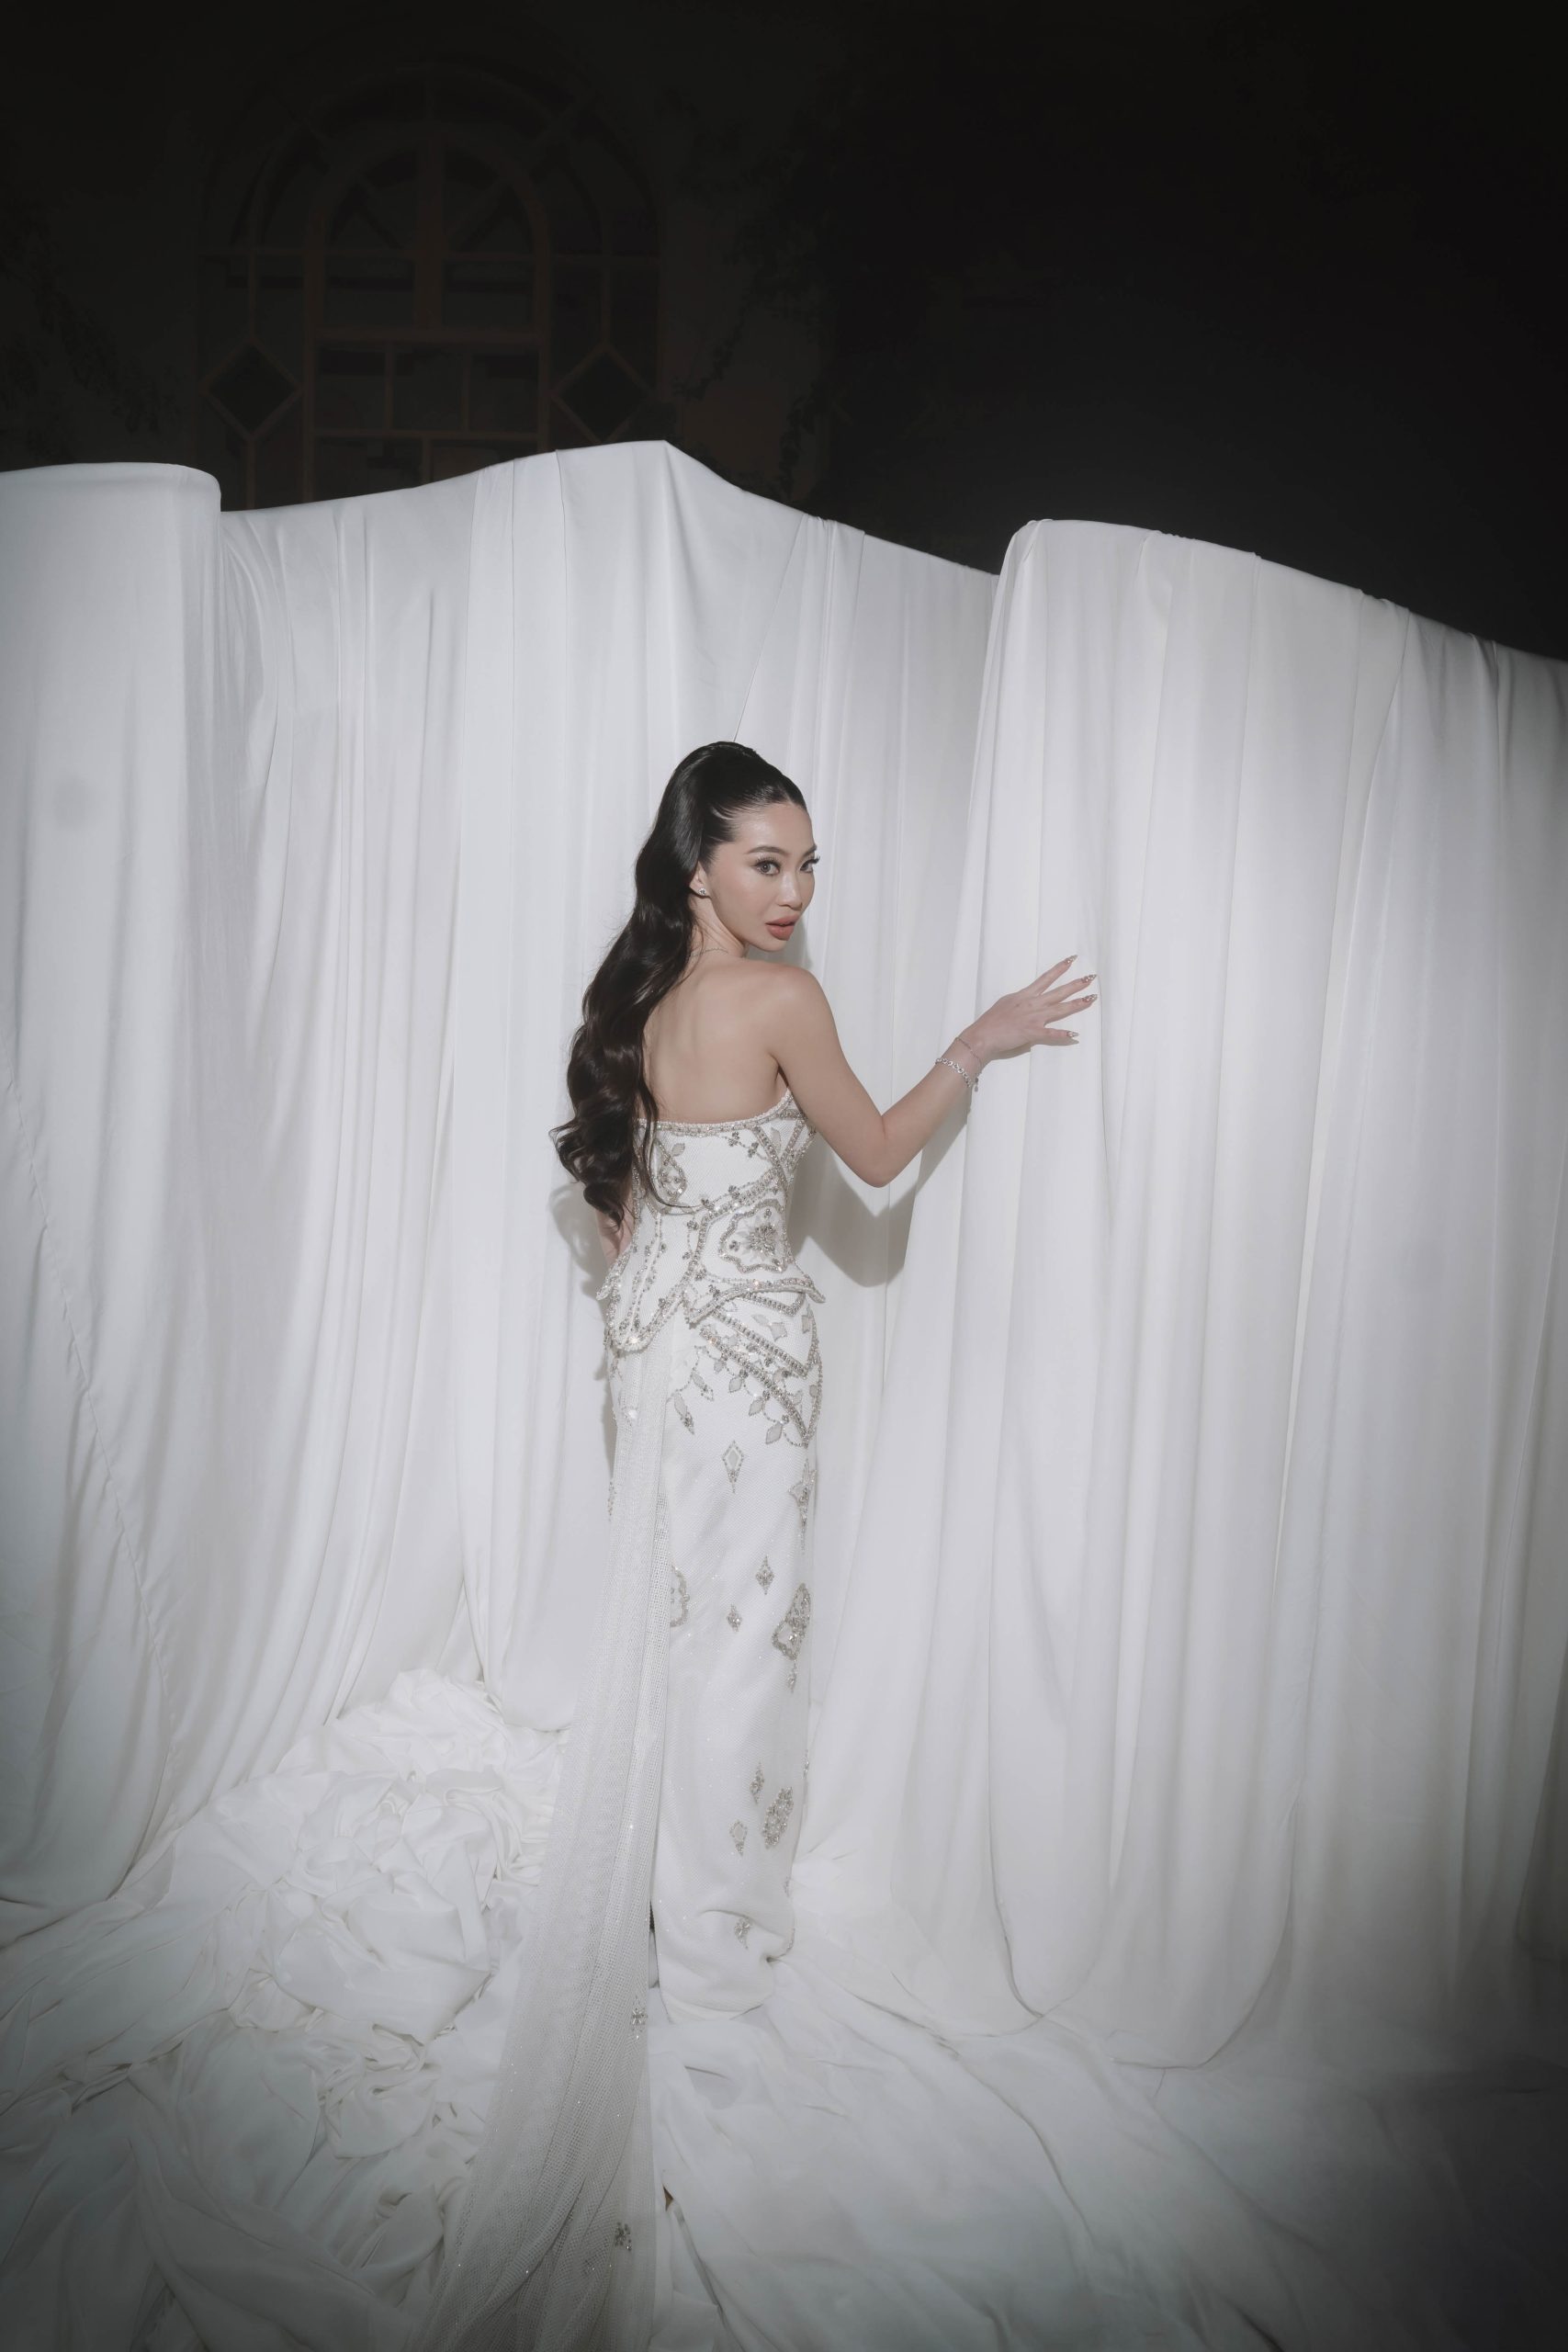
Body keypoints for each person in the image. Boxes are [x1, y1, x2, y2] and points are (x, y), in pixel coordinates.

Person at [413, 741, 1096, 2352]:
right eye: (766, 862)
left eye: (807, 864)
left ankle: (681, 1897)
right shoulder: (781, 1002)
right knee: (738, 1651)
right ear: (699, 865)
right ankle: (715, 1943)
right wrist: (977, 1042)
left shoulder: (641, 1004)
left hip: (654, 1363)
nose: (793, 892)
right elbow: (877, 1155)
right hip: (748, 1375)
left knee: (687, 1633)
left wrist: (665, 1285)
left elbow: (624, 1208)